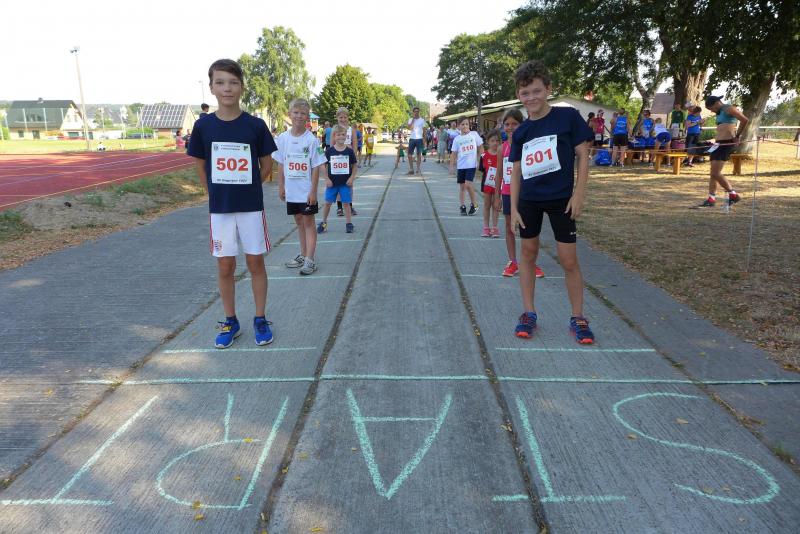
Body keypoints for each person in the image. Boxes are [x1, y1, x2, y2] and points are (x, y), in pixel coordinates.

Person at [187, 58, 277, 349]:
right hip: (221, 209)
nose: (227, 88)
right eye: (220, 82)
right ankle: (230, 320)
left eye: (233, 82)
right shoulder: (203, 126)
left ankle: (260, 318)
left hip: (251, 208)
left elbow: (266, 166)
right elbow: (201, 166)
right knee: (225, 265)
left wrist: (247, 187)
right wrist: (214, 192)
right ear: (212, 87)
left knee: (255, 262)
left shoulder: (255, 125)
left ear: (242, 87)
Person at [508, 59, 594, 344]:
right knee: (528, 254)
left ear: (548, 89)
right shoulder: (521, 132)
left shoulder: (567, 117)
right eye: (525, 93)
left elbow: (583, 155)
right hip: (529, 201)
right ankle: (528, 313)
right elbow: (516, 171)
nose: (531, 97)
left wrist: (579, 194)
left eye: (536, 91)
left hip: (562, 200)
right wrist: (514, 209)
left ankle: (578, 317)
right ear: (519, 95)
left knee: (568, 259)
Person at [274, 98, 327, 275]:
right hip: (291, 190)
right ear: (289, 114)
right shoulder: (282, 138)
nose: (298, 116)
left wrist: (313, 191)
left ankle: (310, 260)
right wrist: (281, 186)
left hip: (306, 191)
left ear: (307, 117)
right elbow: (281, 163)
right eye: (295, 112)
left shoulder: (312, 140)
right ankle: (303, 254)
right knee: (298, 220)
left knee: (308, 222)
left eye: (303, 113)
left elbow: (316, 166)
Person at [499, 109, 544, 279]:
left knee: (529, 228)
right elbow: (499, 174)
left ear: (521, 125)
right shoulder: (502, 148)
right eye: (507, 124)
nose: (510, 127)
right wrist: (496, 196)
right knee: (509, 227)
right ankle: (513, 261)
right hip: (507, 192)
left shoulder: (528, 145)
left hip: (525, 192)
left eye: (514, 124)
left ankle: (531, 262)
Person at [699, 96, 748, 208]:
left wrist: (737, 136)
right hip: (718, 144)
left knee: (716, 173)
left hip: (726, 143)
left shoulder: (729, 108)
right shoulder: (720, 112)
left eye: (711, 108)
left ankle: (733, 195)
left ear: (717, 103)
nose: (711, 111)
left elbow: (745, 120)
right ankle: (711, 199)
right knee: (713, 173)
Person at [318, 124, 358, 234]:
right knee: (327, 203)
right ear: (334, 136)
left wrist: (352, 178)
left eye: (343, 135)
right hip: (332, 183)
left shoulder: (349, 151)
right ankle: (324, 222)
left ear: (346, 136)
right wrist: (326, 179)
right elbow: (323, 165)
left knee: (346, 203)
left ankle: (349, 223)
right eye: (338, 135)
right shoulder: (329, 151)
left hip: (345, 183)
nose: (341, 137)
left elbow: (355, 165)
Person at [449, 116, 482, 216]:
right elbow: (453, 154)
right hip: (461, 166)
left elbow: (481, 148)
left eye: (467, 124)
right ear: (458, 126)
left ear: (469, 125)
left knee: (468, 185)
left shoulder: (474, 135)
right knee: (462, 187)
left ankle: (474, 204)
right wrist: (451, 166)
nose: (465, 126)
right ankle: (462, 206)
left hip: (471, 165)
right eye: (462, 124)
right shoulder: (457, 139)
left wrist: (481, 160)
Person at [334, 107, 359, 216]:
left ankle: (350, 206)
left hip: (348, 159)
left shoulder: (351, 130)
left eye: (345, 117)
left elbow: (355, 143)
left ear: (348, 118)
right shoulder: (335, 129)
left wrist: (354, 157)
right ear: (337, 118)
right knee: (338, 183)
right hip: (337, 160)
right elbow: (331, 145)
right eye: (341, 117)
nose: (343, 119)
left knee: (349, 183)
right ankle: (339, 207)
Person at [480, 129, 502, 238]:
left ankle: (495, 227)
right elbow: (482, 170)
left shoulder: (502, 154)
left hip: (499, 184)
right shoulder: (484, 155)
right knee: (487, 205)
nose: (495, 143)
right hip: (487, 184)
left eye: (497, 141)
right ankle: (486, 227)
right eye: (492, 141)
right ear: (488, 142)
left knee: (496, 205)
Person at [407, 107, 428, 175]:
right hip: (412, 138)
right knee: (409, 154)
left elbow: (424, 131)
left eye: (417, 111)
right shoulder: (410, 119)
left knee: (419, 154)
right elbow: (409, 128)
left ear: (419, 112)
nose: (416, 113)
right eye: (415, 111)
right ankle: (411, 169)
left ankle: (418, 169)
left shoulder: (422, 120)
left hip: (419, 139)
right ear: (413, 112)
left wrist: (424, 140)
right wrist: (413, 120)